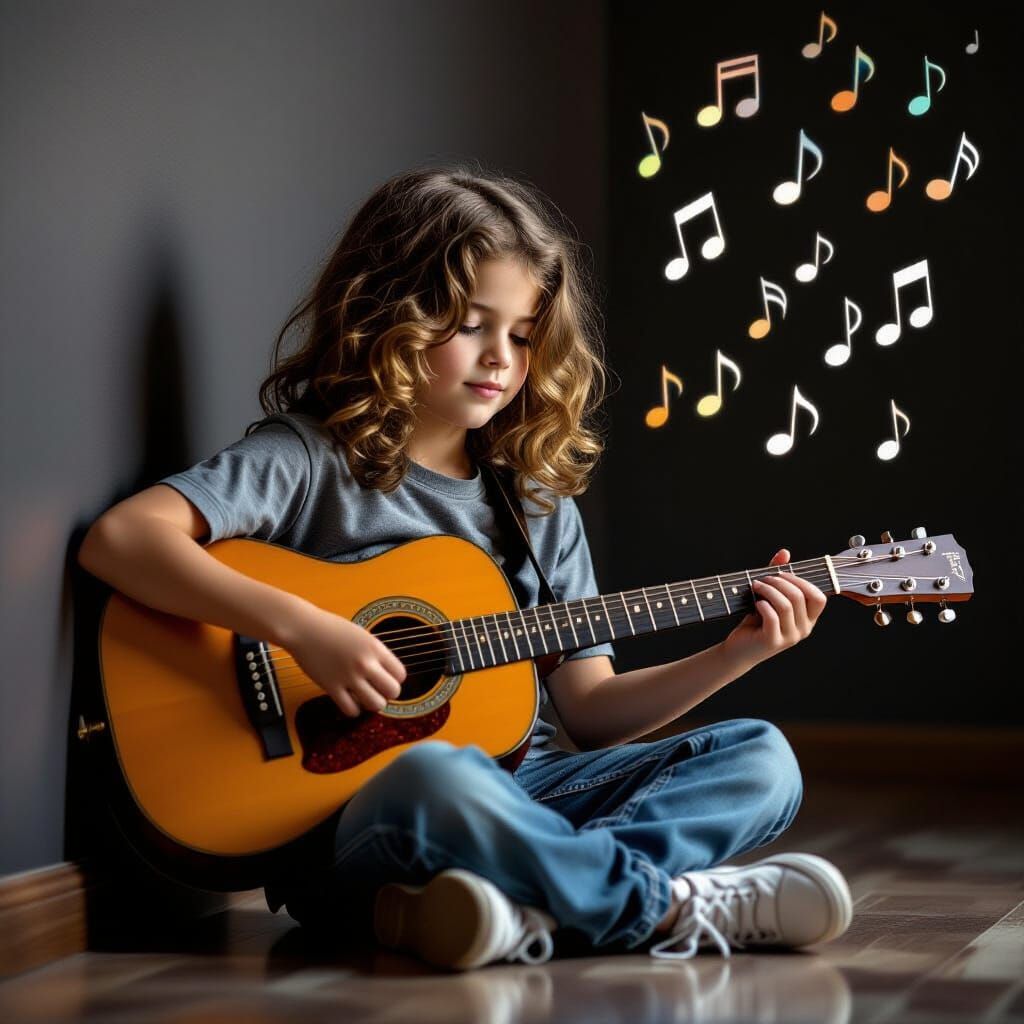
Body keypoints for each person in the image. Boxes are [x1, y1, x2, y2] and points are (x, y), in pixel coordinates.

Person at [77, 163, 852, 972]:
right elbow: (124, 539)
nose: (500, 358)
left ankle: (506, 907)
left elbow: (588, 711)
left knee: (761, 758)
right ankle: (665, 905)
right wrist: (304, 628)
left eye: (521, 335)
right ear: (388, 314)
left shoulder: (537, 507)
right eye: (471, 324)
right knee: (437, 777)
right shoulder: (307, 460)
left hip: (533, 793)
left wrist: (739, 654)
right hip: (367, 816)